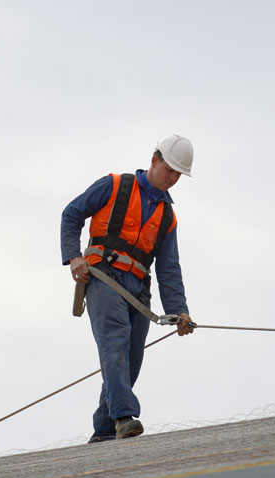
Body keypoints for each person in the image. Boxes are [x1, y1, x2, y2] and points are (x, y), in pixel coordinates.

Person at [60, 134, 196, 442]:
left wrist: (179, 312)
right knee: (115, 344)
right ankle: (124, 416)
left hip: (138, 289)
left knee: (131, 358)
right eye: (169, 169)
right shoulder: (114, 185)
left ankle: (104, 431)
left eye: (178, 174)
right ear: (154, 160)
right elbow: (71, 214)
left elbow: (169, 269)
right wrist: (74, 257)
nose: (173, 178)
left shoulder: (167, 217)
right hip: (104, 277)